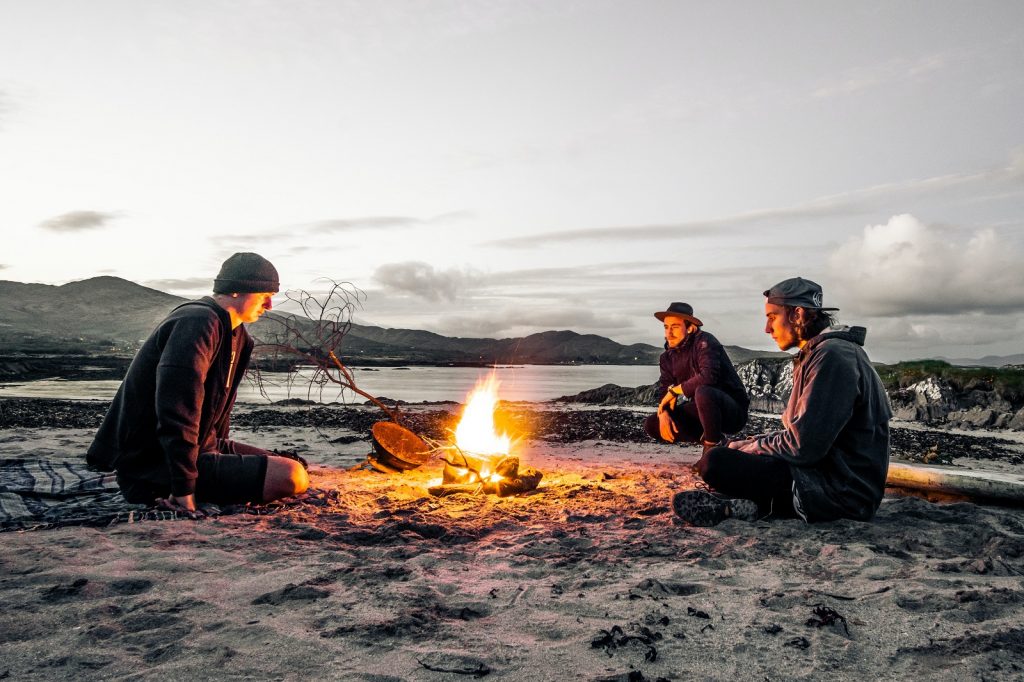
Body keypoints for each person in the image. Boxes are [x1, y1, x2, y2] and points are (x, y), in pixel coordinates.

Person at [87, 252, 309, 515]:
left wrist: (221, 457)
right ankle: (173, 487)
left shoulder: (238, 336)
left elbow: (217, 414)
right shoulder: (197, 322)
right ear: (236, 290)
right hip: (153, 464)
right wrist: (184, 490)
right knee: (291, 476)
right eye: (264, 295)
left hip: (203, 448)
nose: (270, 305)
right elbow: (176, 411)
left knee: (291, 464)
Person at [673, 277, 892, 526]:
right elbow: (805, 434)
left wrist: (754, 448)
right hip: (823, 477)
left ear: (797, 314)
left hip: (840, 494)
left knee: (716, 462)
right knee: (727, 453)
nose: (767, 328)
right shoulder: (821, 353)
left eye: (772, 317)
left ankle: (752, 504)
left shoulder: (833, 357)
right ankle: (746, 505)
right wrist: (752, 442)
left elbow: (803, 446)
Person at [644, 302, 750, 452]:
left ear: (690, 328)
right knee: (652, 424)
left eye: (674, 327)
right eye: (666, 327)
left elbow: (708, 376)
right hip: (703, 411)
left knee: (703, 391)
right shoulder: (667, 358)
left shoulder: (704, 341)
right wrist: (664, 413)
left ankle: (712, 448)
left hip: (731, 410)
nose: (668, 334)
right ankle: (719, 440)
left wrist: (675, 391)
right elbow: (664, 390)